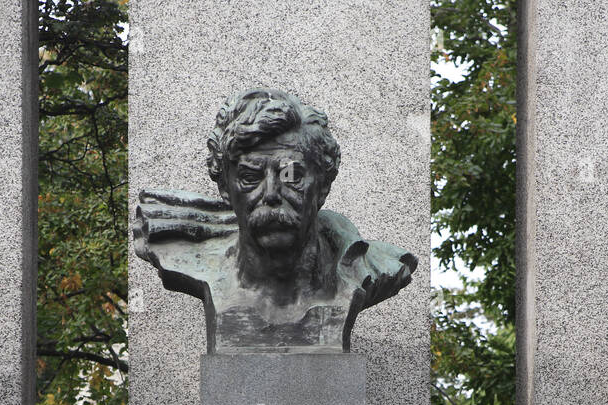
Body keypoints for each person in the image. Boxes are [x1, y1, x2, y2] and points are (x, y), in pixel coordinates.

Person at [133, 88, 417, 352]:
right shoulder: (185, 258)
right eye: (249, 178)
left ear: (323, 184)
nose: (271, 194)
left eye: (291, 176)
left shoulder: (375, 268)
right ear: (224, 188)